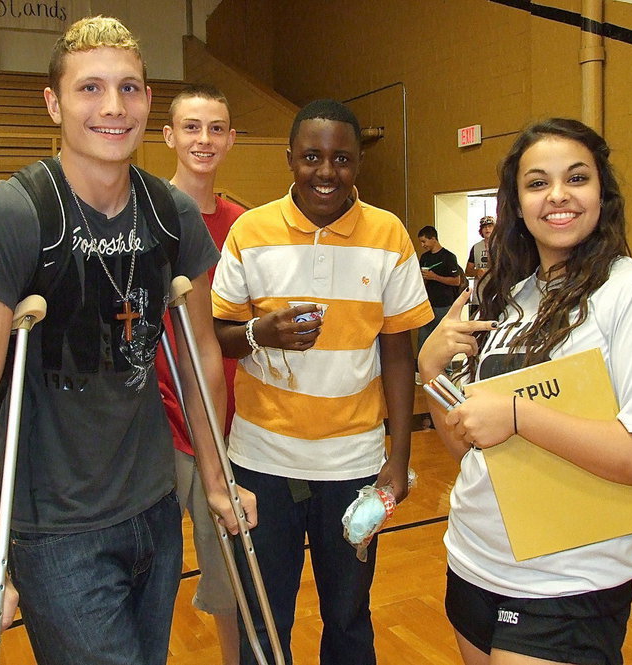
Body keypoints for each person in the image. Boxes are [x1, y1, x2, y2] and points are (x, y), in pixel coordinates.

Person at [0, 16, 254, 665]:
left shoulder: (171, 214)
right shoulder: (8, 219)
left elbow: (199, 363)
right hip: (55, 531)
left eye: (130, 88)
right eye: (90, 89)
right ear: (54, 102)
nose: (113, 107)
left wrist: (216, 478)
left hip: (154, 510)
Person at [418, 118, 632, 665]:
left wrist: (520, 415)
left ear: (602, 193)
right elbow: (472, 450)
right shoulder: (511, 300)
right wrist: (430, 373)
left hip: (566, 584)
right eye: (537, 182)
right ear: (517, 205)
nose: (558, 195)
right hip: (473, 560)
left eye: (577, 178)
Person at [211, 99, 432, 665]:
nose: (326, 172)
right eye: (311, 157)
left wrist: (398, 457)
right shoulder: (249, 231)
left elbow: (399, 353)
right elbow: (219, 334)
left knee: (350, 620)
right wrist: (261, 332)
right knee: (262, 620)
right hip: (262, 461)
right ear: (290, 159)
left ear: (359, 163)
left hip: (353, 468)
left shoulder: (388, 235)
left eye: (342, 159)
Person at [156, 84, 245, 665]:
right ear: (168, 136)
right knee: (150, 573)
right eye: (191, 127)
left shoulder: (242, 223)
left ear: (231, 138)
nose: (203, 139)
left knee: (232, 578)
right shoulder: (144, 215)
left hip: (227, 426)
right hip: (158, 428)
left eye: (215, 128)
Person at [416, 225, 460, 354]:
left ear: (433, 239)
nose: (423, 245)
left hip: (444, 304)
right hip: (427, 304)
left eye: (424, 241)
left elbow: (456, 281)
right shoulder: (424, 258)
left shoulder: (449, 257)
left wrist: (435, 277)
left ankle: (447, 369)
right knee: (423, 338)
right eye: (421, 242)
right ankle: (422, 368)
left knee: (443, 338)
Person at [465, 215, 494, 315]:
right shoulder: (476, 247)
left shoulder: (501, 246)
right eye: (484, 227)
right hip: (479, 295)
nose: (487, 229)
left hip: (496, 293)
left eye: (490, 226)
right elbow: (467, 271)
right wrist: (477, 272)